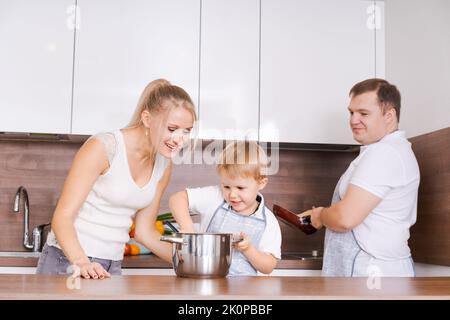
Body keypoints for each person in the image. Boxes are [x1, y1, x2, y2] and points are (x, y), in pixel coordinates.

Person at [36, 79, 196, 279]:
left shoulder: (164, 165)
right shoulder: (104, 147)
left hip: (111, 264)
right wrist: (82, 262)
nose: (179, 139)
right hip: (69, 260)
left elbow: (145, 231)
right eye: (172, 129)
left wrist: (191, 264)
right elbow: (62, 218)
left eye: (186, 131)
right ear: (147, 119)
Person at [300, 78, 420, 277]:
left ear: (389, 115)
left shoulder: (385, 153)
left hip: (373, 275)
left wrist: (321, 215)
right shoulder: (386, 151)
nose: (353, 120)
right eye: (351, 112)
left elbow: (345, 218)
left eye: (363, 113)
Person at [168, 141, 282, 275]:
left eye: (240, 188)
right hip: (206, 284)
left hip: (244, 292)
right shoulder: (216, 197)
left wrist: (248, 250)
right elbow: (177, 199)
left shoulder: (268, 221)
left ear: (261, 183)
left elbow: (268, 266)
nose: (232, 195)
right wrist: (187, 228)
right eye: (226, 186)